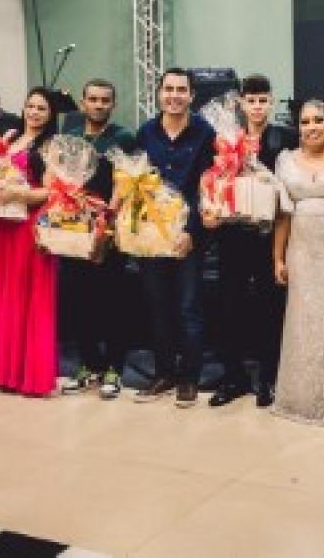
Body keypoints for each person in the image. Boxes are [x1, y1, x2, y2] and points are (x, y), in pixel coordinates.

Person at [202, 74, 297, 408]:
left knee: (269, 308)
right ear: (241, 103)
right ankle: (234, 376)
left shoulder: (284, 138)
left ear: (271, 102)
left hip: (269, 236)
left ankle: (268, 378)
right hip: (232, 235)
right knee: (230, 307)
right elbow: (211, 180)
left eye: (263, 100)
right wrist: (209, 209)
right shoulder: (225, 138)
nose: (257, 106)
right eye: (251, 101)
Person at [132, 68, 216, 408]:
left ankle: (189, 378)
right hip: (151, 234)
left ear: (191, 95)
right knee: (158, 306)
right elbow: (136, 182)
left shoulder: (205, 133)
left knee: (188, 308)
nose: (174, 96)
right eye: (169, 89)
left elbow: (207, 187)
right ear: (159, 93)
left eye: (182, 90)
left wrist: (191, 231)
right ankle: (164, 373)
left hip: (187, 236)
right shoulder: (145, 132)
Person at [271, 99, 324, 426]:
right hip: (300, 249)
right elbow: (283, 214)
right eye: (305, 122)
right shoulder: (285, 160)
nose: (311, 127)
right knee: (300, 322)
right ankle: (295, 400)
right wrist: (278, 256)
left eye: (318, 120)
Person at [0, 86, 59, 396]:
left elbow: (51, 192)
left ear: (50, 114)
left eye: (42, 108)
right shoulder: (10, 140)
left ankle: (29, 374)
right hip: (3, 225)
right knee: (5, 294)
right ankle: (2, 369)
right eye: (31, 106)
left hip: (30, 226)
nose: (34, 112)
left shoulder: (51, 146)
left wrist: (19, 194)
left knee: (29, 296)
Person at [57, 78, 136, 399]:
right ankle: (89, 365)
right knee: (79, 302)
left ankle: (114, 368)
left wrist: (107, 224)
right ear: (82, 102)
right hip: (74, 230)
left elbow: (124, 184)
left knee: (111, 302)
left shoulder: (123, 137)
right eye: (93, 99)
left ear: (113, 104)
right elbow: (60, 182)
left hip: (109, 231)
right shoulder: (70, 138)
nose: (99, 105)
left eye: (105, 100)